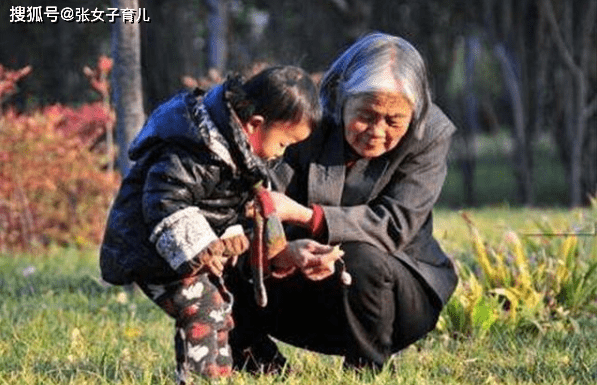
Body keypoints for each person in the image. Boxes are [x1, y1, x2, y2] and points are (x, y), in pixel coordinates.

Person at [227, 32, 459, 372]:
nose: (377, 131)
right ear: (341, 98)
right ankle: (259, 363)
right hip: (296, 278)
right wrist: (285, 251)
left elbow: (394, 225)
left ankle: (365, 368)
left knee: (360, 255)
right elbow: (260, 201)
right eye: (366, 115)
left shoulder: (431, 133)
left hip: (394, 295)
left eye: (394, 121)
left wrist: (308, 217)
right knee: (218, 246)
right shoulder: (305, 118)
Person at [99, 65, 337, 384]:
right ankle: (199, 376)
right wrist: (202, 247)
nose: (282, 154)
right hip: (154, 251)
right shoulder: (196, 149)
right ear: (255, 125)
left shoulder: (240, 159)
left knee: (220, 308)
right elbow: (163, 201)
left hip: (185, 254)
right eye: (283, 143)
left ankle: (219, 372)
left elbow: (228, 212)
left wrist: (268, 245)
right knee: (202, 307)